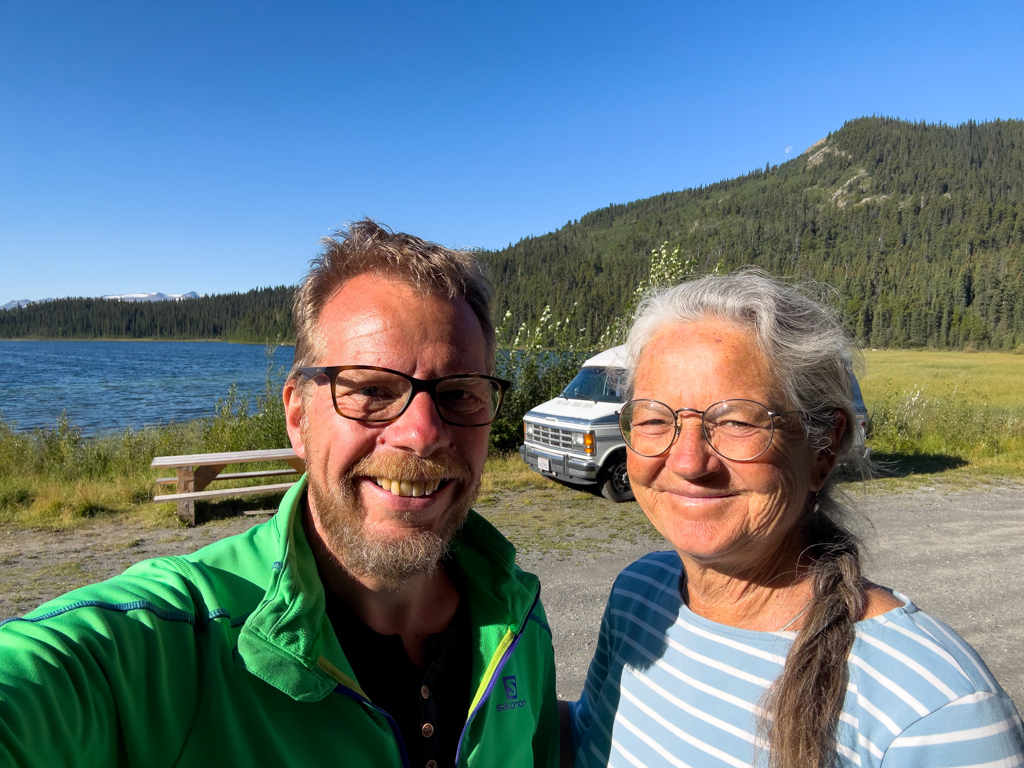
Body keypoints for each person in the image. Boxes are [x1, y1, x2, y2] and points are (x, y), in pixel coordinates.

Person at [0, 220, 560, 768]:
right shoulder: (184, 642)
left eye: (461, 393)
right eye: (369, 390)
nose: (423, 433)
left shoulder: (519, 622)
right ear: (297, 416)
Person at [569, 269, 1024, 768]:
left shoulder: (935, 712)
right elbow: (587, 741)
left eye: (738, 421)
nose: (688, 461)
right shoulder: (638, 596)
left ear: (823, 450)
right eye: (655, 419)